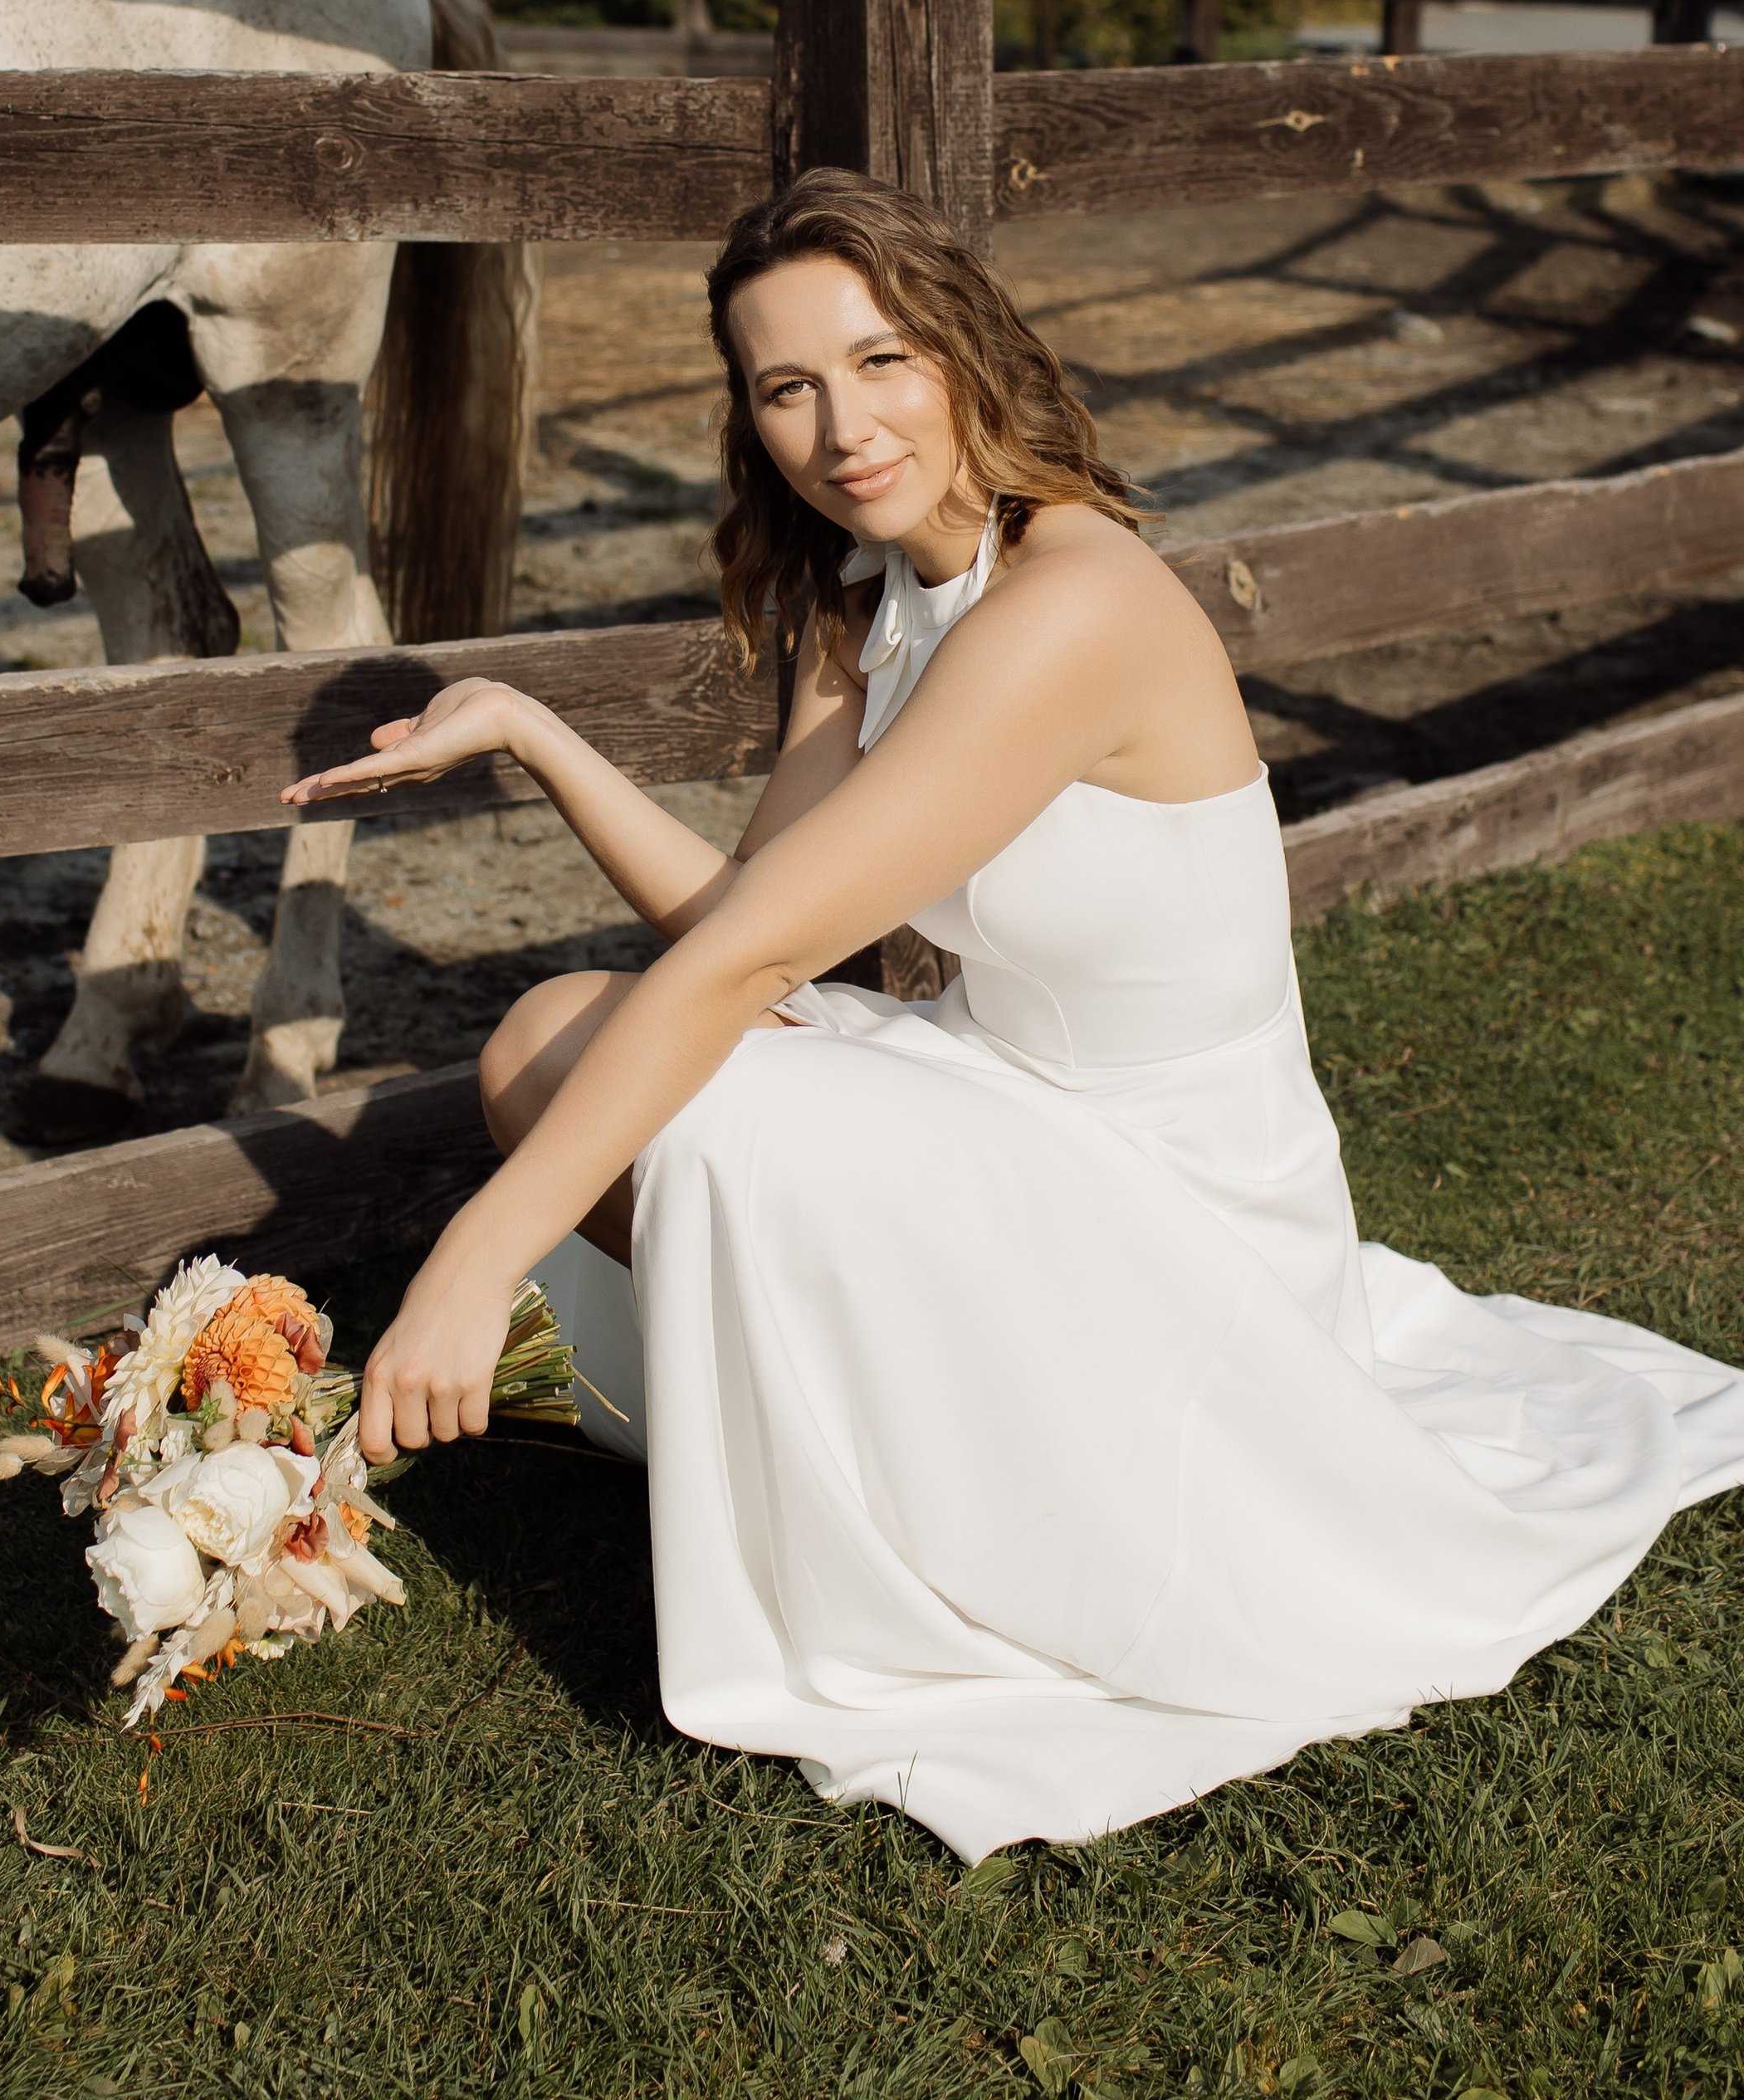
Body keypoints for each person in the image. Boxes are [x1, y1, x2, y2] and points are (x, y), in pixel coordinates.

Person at [280, 168, 1744, 1860]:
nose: (841, 425)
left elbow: (746, 970)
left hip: (1179, 1202)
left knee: (635, 1069)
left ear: (965, 351)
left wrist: (472, 1261)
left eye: (881, 359)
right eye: (785, 388)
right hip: (1014, 1112)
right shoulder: (868, 602)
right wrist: (540, 735)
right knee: (549, 1036)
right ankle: (845, 1446)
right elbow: (749, 928)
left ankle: (912, 1491)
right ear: (748, 418)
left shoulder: (1075, 604)